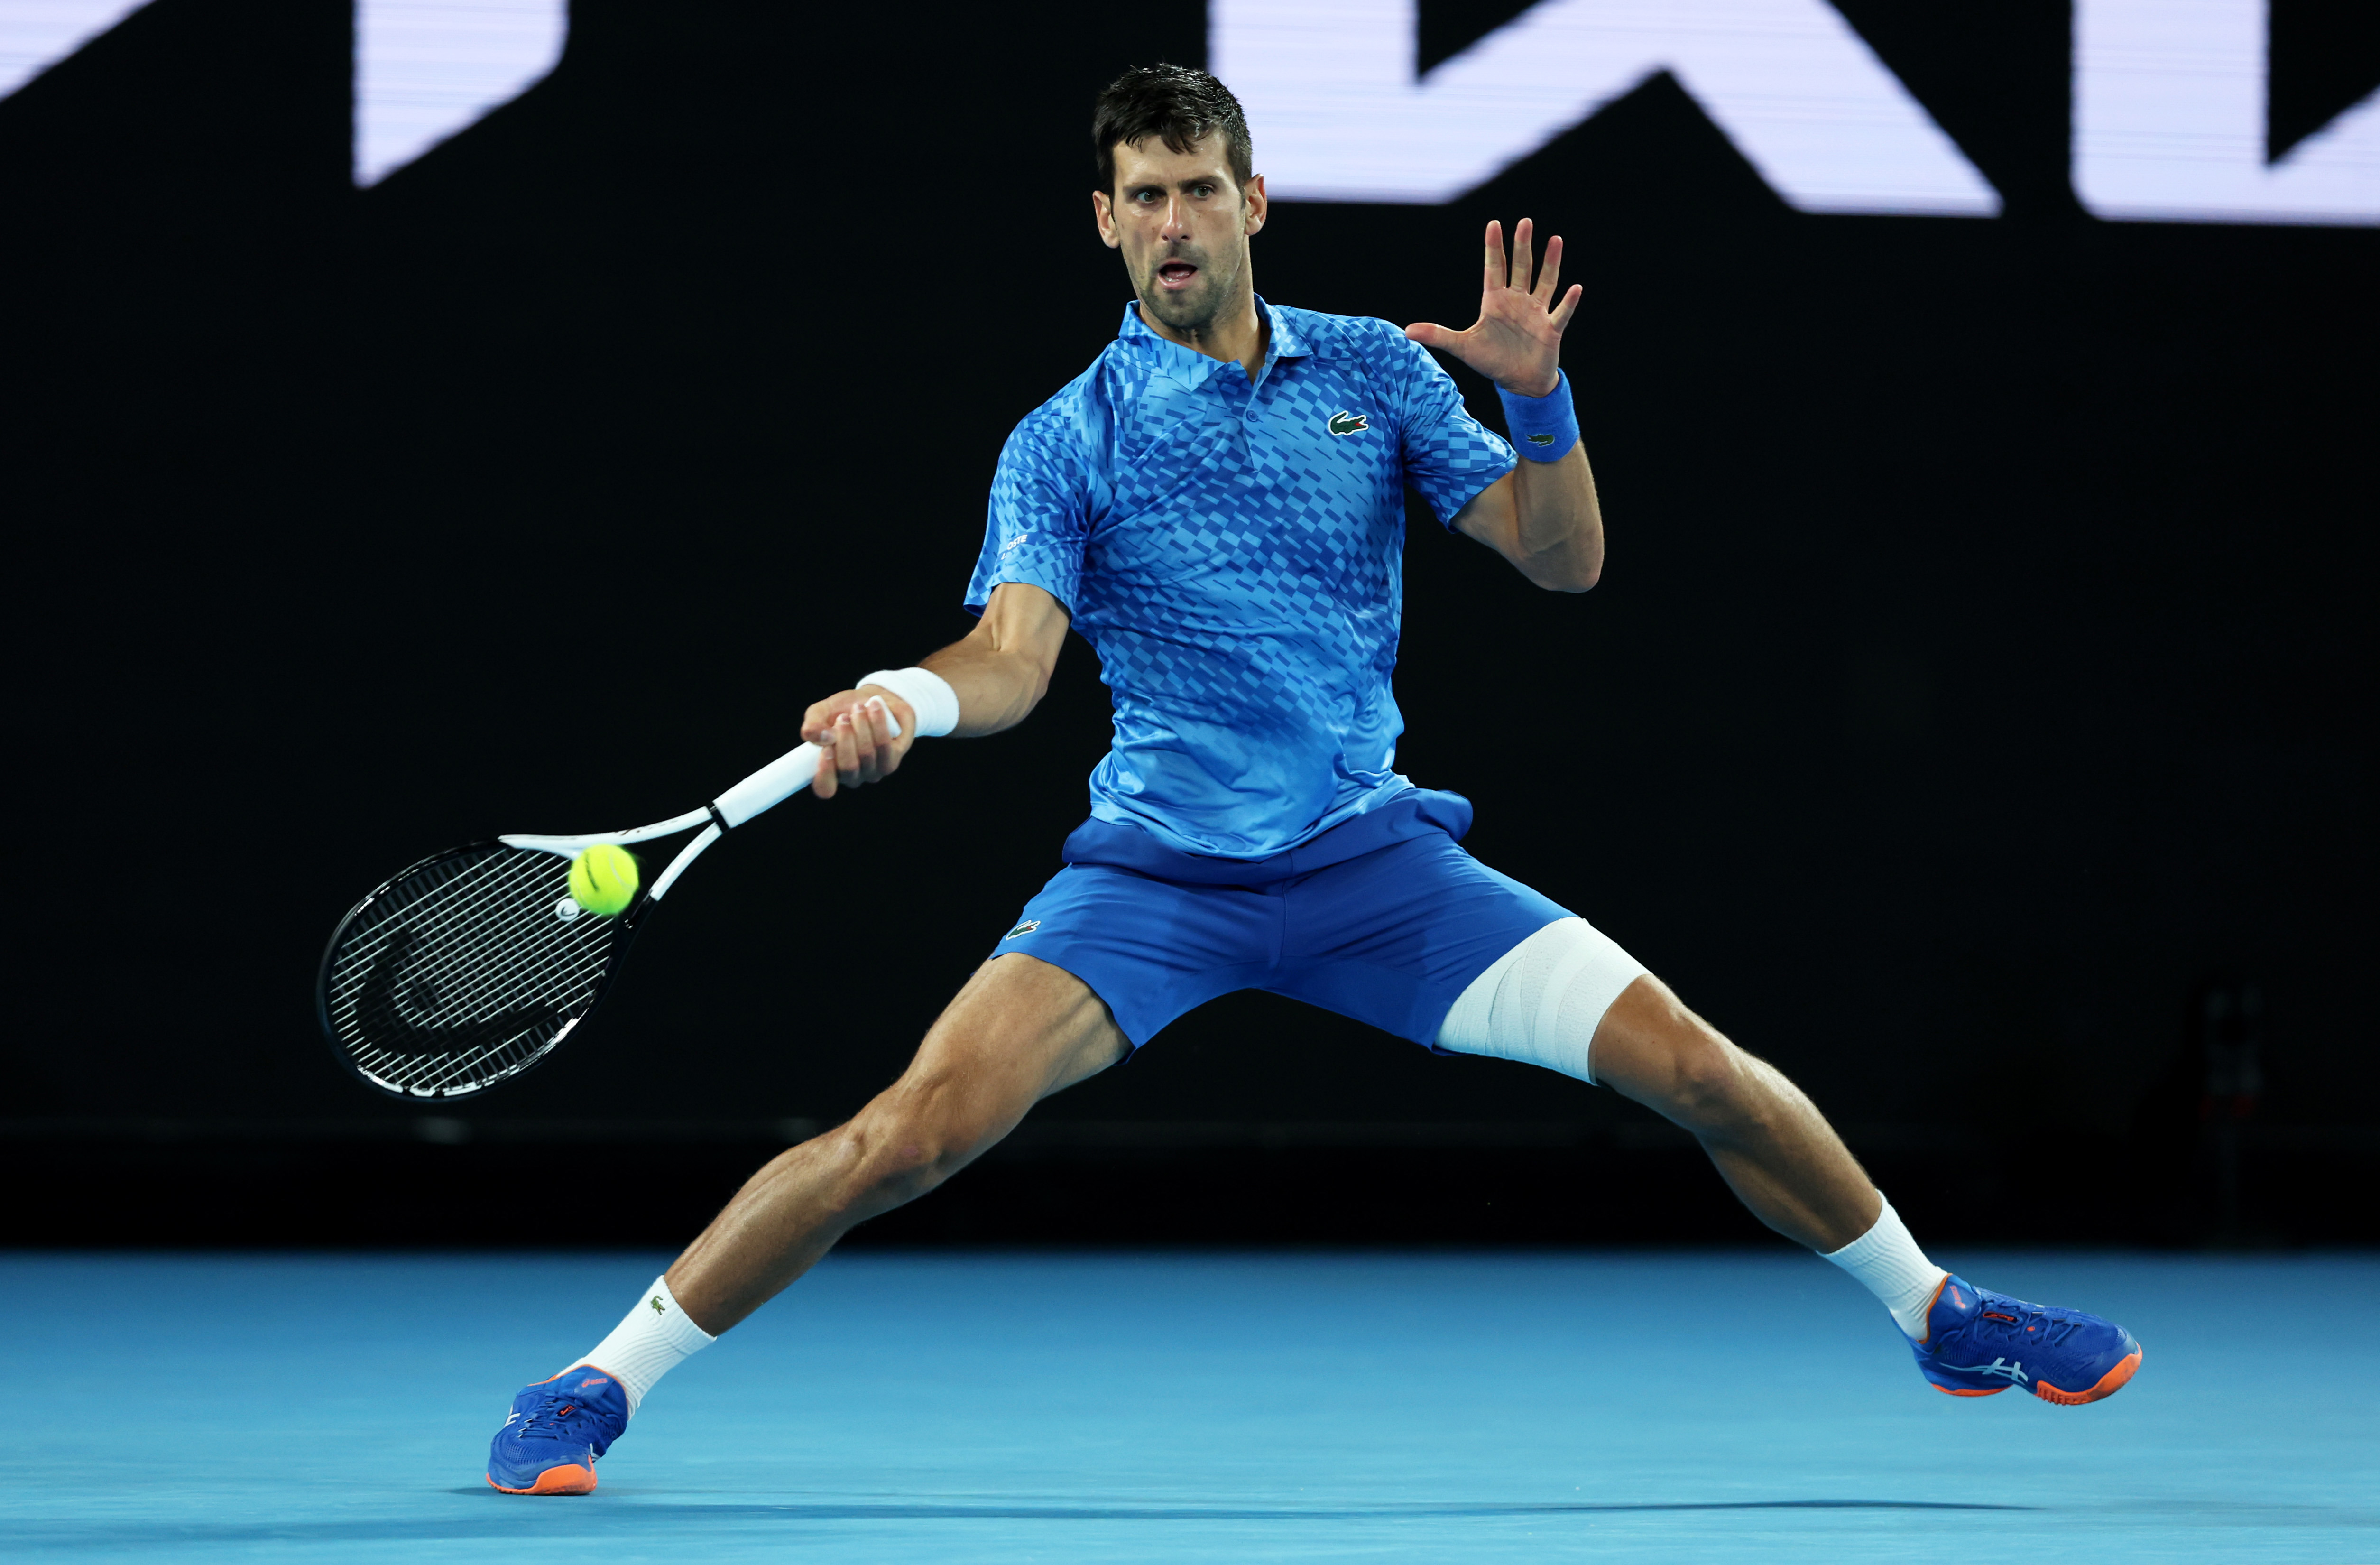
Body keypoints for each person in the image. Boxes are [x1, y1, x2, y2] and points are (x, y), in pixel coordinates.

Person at [487, 64, 2141, 1495]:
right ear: (1105, 221)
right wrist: (904, 699)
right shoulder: (1065, 437)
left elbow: (1561, 567)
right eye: (1142, 197)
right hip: (1154, 883)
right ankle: (595, 1380)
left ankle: (1940, 1313)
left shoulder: (1373, 370)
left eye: (1198, 187)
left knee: (1697, 1069)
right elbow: (1012, 659)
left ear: (1253, 198)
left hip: (1373, 866)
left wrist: (1543, 401)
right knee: (902, 1136)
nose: (1173, 223)